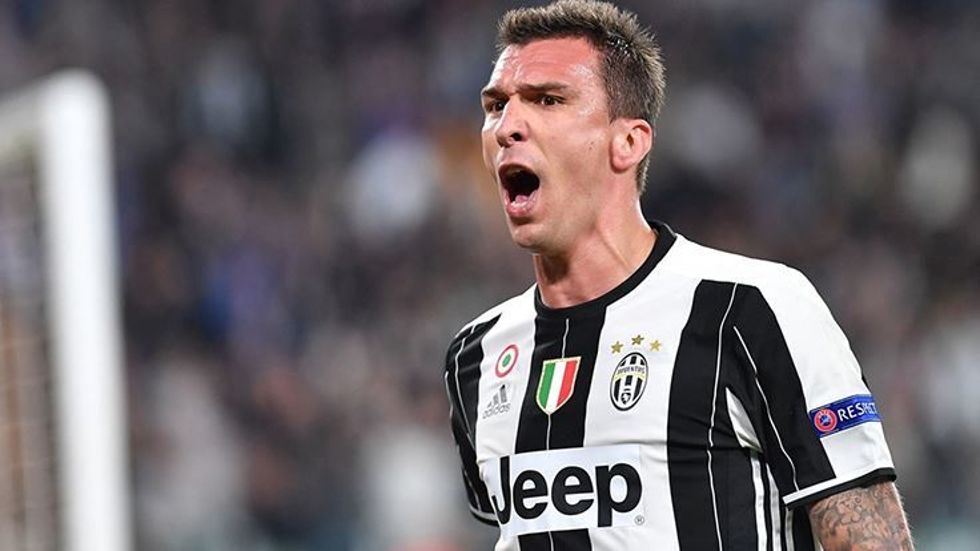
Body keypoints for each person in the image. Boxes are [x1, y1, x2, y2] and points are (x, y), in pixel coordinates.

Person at [443, 1, 914, 549]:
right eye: (496, 105)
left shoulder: (750, 309)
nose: (507, 127)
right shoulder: (476, 356)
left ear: (629, 142)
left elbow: (871, 541)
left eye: (548, 100)